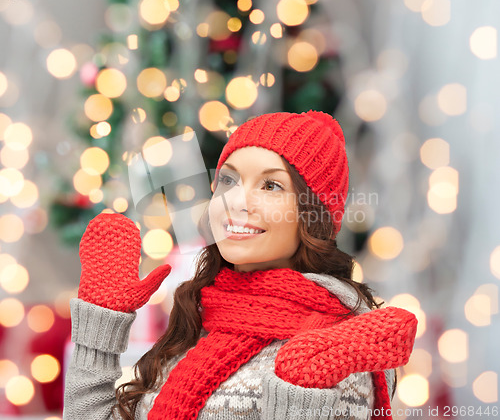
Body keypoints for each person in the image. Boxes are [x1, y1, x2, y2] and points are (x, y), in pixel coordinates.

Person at [63, 110, 418, 420]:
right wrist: (99, 326)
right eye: (229, 180)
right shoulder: (199, 321)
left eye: (271, 185)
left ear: (312, 216)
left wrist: (302, 396)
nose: (236, 200)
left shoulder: (341, 351)